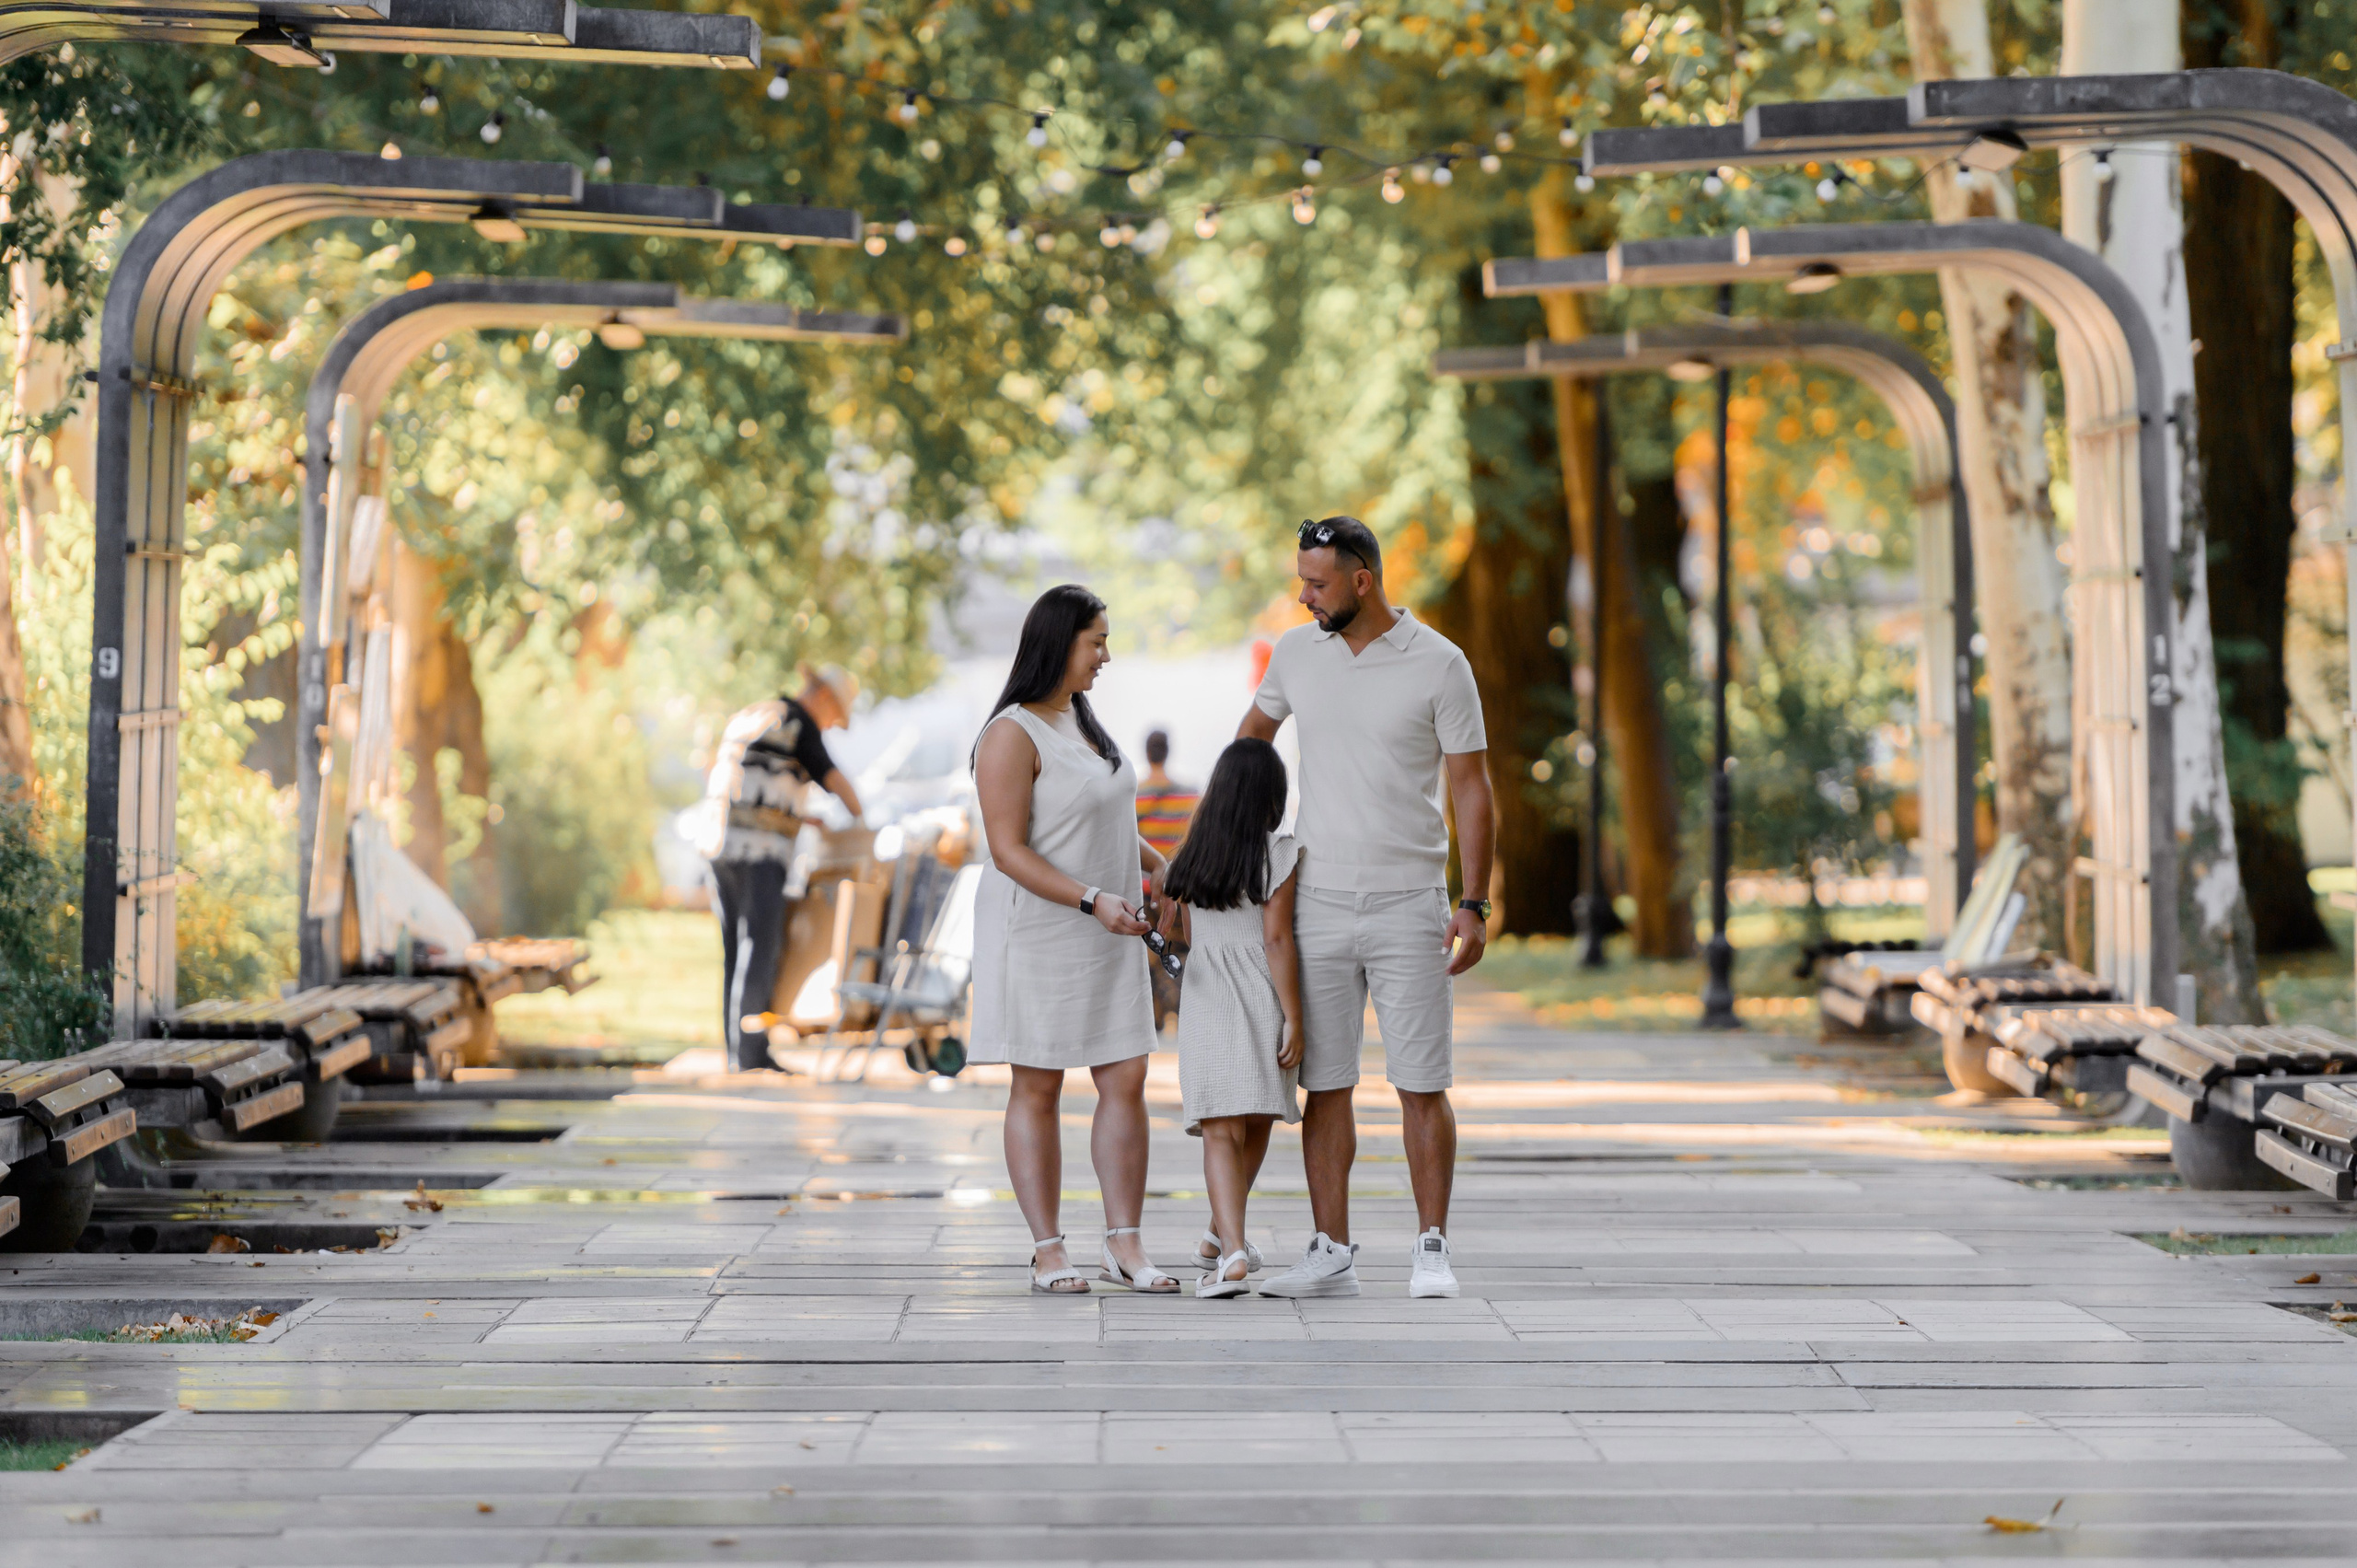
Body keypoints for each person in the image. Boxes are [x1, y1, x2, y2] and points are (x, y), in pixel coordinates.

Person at [1237, 516, 1493, 1301]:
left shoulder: (1441, 663)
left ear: (1363, 580)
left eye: (1317, 583)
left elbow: (1472, 787)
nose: (1303, 595)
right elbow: (1250, 745)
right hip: (1316, 895)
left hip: (1410, 901)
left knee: (1422, 1082)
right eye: (1302, 580)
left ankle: (1432, 1246)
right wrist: (1236, 848)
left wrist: (1474, 899)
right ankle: (1330, 1246)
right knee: (1327, 1081)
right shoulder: (1294, 652)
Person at [970, 585, 1178, 1296]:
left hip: (1109, 923)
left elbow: (1102, 817)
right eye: (1097, 640)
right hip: (1043, 930)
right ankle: (1047, 1248)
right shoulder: (1011, 733)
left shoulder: (1083, 722)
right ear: (1059, 642)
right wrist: (1092, 899)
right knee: (1039, 1083)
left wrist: (1159, 865)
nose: (1107, 655)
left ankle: (1124, 1241)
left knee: (1127, 1076)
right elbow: (1008, 850)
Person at [1159, 738, 1304, 1299]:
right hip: (1263, 994)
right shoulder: (1281, 853)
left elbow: (1190, 937)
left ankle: (1227, 1243)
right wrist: (1294, 1015)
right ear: (1273, 796)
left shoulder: (1189, 859)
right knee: (1259, 1117)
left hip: (1207, 996)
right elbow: (1276, 937)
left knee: (1221, 1128)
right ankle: (1229, 1243)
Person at [695, 666, 865, 1073]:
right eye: (834, 716)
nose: (829, 726)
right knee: (760, 947)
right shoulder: (797, 723)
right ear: (823, 697)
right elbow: (835, 781)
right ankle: (751, 1055)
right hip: (759, 852)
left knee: (735, 951)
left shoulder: (755, 713)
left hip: (720, 845)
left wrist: (803, 820)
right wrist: (862, 819)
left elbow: (751, 783)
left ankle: (737, 1052)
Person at [1134, 729, 1201, 1031]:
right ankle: (1186, 1010)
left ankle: (1156, 1016)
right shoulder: (1190, 796)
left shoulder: (1134, 796)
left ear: (1147, 752)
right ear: (1168, 751)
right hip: (1178, 890)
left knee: (1151, 952)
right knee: (1181, 949)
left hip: (1146, 893)